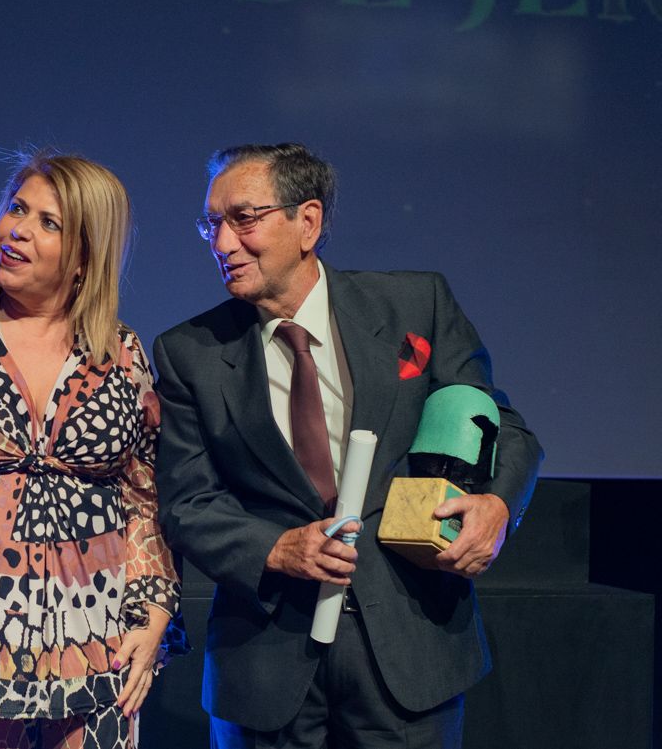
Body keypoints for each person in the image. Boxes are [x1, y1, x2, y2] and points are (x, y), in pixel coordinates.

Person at [152, 143, 543, 749]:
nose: (221, 243)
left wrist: (497, 505)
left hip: (409, 648)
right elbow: (187, 502)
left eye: (243, 219)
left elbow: (502, 426)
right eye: (212, 223)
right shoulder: (189, 353)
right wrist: (277, 548)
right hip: (267, 660)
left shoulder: (416, 305)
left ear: (306, 221)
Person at [0, 152, 188, 749]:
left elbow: (143, 494)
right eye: (16, 209)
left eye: (48, 223)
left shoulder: (120, 352)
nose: (18, 230)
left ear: (85, 256)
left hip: (100, 623)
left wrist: (156, 609)